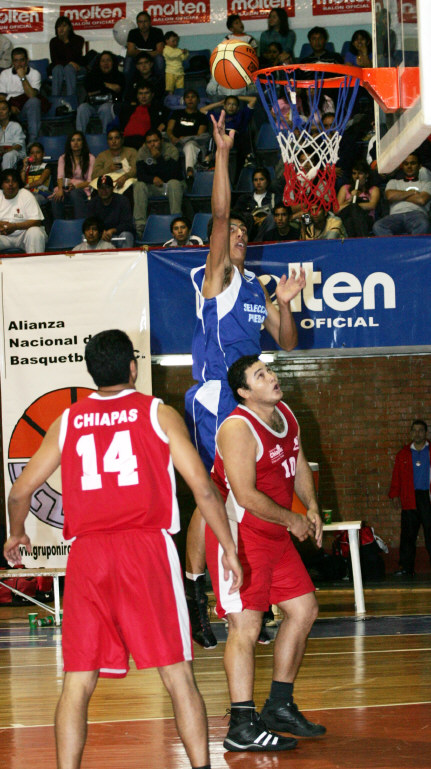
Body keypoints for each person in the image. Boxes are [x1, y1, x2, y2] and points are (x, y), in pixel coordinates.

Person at [3, 328, 242, 769]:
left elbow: (19, 493)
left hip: (88, 556)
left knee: (77, 682)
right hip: (146, 549)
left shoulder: (69, 420)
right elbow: (204, 490)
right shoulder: (157, 413)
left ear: (92, 373)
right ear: (133, 368)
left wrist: (16, 533)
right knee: (178, 675)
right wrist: (227, 547)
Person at [184, 111, 305, 649]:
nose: (235, 234)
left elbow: (288, 342)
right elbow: (218, 212)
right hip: (216, 396)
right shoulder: (217, 278)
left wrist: (286, 303)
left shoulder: (256, 284)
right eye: (230, 231)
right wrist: (223, 152)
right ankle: (200, 591)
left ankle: (247, 591)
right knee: (217, 493)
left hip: (248, 398)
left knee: (244, 492)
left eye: (241, 233)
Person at [206, 354, 325, 751]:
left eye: (269, 370)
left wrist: (311, 507)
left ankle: (279, 706)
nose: (272, 377)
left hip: (274, 533)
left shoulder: (285, 414)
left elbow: (299, 463)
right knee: (246, 627)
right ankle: (241, 725)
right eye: (260, 375)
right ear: (244, 391)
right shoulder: (237, 428)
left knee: (304, 610)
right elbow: (245, 495)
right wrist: (292, 520)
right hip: (239, 536)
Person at [389, 419, 431, 577]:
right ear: (411, 432)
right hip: (409, 497)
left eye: (421, 430)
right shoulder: (403, 454)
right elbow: (396, 476)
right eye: (414, 430)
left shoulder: (430, 451)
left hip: (428, 498)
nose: (417, 433)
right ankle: (406, 568)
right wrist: (394, 494)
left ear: (425, 433)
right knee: (408, 535)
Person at [134, 128, 185, 238]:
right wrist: (152, 179)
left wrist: (159, 158)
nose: (152, 144)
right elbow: (140, 175)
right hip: (153, 187)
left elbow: (174, 173)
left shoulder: (171, 150)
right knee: (138, 185)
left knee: (174, 183)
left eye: (155, 141)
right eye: (149, 142)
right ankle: (140, 226)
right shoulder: (142, 152)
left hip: (170, 186)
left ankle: (177, 222)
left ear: (161, 140)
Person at [373, 153, 431, 236]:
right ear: (402, 166)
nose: (409, 166)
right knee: (378, 226)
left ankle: (413, 245)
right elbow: (390, 196)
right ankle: (394, 244)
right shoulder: (393, 182)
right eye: (406, 164)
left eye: (413, 163)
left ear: (419, 166)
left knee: (424, 224)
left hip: (417, 215)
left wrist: (398, 196)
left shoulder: (427, 184)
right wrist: (412, 192)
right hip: (395, 216)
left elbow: (421, 200)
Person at [0, 168, 47, 253]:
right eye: (7, 181)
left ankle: (36, 261)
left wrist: (15, 226)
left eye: (14, 181)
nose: (10, 184)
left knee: (35, 232)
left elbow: (37, 221)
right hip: (3, 236)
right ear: (2, 185)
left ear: (18, 184)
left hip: (23, 235)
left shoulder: (26, 195)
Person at [76, 51, 124, 135]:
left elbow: (117, 89)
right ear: (99, 63)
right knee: (82, 108)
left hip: (109, 104)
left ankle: (106, 136)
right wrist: (108, 86)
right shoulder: (91, 75)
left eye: (108, 60)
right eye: (103, 61)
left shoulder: (119, 76)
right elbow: (89, 91)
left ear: (113, 62)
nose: (106, 63)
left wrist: (101, 86)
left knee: (106, 108)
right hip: (92, 104)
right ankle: (80, 136)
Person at [0, 47, 42, 142]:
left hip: (26, 109)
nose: (19, 64)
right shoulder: (5, 74)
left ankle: (33, 141)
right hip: (10, 109)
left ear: (27, 60)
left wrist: (22, 77)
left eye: (22, 60)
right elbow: (1, 97)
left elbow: (32, 95)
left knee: (34, 102)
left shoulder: (35, 74)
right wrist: (9, 108)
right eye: (16, 61)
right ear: (12, 62)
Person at [50, 131, 95, 220]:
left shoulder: (91, 158)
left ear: (83, 143)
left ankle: (80, 223)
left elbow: (90, 181)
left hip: (82, 189)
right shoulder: (63, 158)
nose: (76, 143)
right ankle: (59, 224)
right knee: (56, 197)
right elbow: (60, 177)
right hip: (65, 188)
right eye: (73, 140)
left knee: (75, 193)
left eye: (79, 140)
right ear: (69, 143)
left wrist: (75, 186)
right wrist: (60, 189)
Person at [166, 90, 209, 180]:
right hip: (175, 142)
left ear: (198, 100)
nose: (190, 99)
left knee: (190, 145)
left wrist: (185, 138)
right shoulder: (177, 113)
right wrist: (172, 137)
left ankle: (190, 173)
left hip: (192, 142)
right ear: (184, 100)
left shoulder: (202, 117)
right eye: (187, 97)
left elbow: (199, 135)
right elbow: (169, 129)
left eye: (193, 97)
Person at [87, 175, 135, 248]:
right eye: (101, 188)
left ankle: (126, 256)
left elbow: (128, 224)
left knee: (127, 235)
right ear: (98, 190)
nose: (104, 191)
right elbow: (90, 223)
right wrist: (100, 232)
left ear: (112, 188)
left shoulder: (123, 201)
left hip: (119, 235)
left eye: (107, 187)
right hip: (100, 236)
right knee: (87, 235)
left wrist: (113, 230)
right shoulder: (92, 203)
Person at [336, 159, 380, 237]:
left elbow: (372, 205)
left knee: (350, 221)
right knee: (351, 213)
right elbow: (337, 209)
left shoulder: (373, 189)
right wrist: (351, 199)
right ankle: (363, 238)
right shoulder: (345, 188)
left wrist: (355, 205)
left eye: (360, 173)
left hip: (366, 219)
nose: (356, 177)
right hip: (345, 216)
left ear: (366, 175)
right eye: (354, 173)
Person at [120, 83, 168, 150]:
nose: (143, 96)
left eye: (146, 93)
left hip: (144, 143)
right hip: (125, 142)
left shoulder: (158, 110)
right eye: (140, 93)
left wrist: (163, 124)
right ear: (137, 96)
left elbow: (166, 121)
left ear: (152, 95)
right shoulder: (128, 109)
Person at [91, 128, 137, 193]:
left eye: (117, 138)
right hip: (107, 184)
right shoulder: (102, 156)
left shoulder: (131, 152)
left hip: (126, 181)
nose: (114, 141)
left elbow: (136, 169)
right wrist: (108, 169)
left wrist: (125, 177)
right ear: (107, 142)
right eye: (110, 139)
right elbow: (94, 175)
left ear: (122, 140)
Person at [124, 11, 165, 83]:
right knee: (128, 61)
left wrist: (141, 52)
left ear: (150, 22)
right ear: (137, 23)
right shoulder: (133, 33)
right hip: (138, 58)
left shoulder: (157, 32)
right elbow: (130, 52)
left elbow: (159, 52)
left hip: (152, 59)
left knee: (159, 59)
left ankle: (161, 85)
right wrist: (149, 52)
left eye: (145, 21)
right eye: (140, 22)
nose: (143, 24)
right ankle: (128, 87)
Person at [49, 16, 85, 97]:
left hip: (78, 67)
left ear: (69, 28)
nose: (61, 28)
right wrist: (68, 63)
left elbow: (75, 58)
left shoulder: (78, 39)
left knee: (69, 68)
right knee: (57, 68)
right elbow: (54, 60)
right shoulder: (53, 41)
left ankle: (71, 98)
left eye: (64, 26)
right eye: (59, 26)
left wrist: (66, 41)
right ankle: (55, 98)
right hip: (61, 67)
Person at [0, 99, 26, 169]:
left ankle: (6, 175)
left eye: (3, 109)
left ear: (9, 112)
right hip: (1, 152)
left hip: (16, 152)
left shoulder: (15, 126)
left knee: (8, 155)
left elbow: (19, 146)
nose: (0, 112)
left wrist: (6, 150)